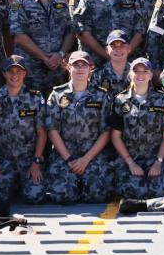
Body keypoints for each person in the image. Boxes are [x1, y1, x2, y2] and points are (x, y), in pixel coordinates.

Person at [45, 51, 113, 204]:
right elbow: (52, 130)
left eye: (84, 65)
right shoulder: (57, 95)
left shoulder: (101, 96)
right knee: (62, 196)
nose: (80, 69)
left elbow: (106, 132)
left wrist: (86, 159)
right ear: (68, 67)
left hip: (92, 154)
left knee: (97, 195)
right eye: (76, 65)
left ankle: (83, 183)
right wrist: (69, 159)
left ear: (91, 69)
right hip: (65, 155)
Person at [0, 55, 47, 204]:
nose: (14, 75)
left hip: (29, 160)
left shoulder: (35, 99)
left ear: (25, 73)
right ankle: (13, 184)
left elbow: (42, 133)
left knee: (35, 196)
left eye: (19, 71)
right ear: (4, 73)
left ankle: (21, 184)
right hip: (4, 160)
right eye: (10, 71)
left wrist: (36, 161)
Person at [109, 57, 164, 199]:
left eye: (145, 71)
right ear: (130, 74)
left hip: (154, 158)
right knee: (135, 192)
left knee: (160, 191)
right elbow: (115, 137)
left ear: (151, 75)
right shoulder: (120, 100)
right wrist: (130, 163)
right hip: (130, 158)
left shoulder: (162, 100)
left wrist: (158, 162)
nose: (140, 75)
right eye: (136, 71)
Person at [9, 0, 74, 95]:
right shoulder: (20, 2)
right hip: (31, 71)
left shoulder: (61, 3)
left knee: (57, 109)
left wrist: (60, 54)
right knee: (31, 110)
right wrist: (45, 58)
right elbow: (18, 35)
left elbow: (70, 31)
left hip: (57, 71)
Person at [74, 0, 143, 64]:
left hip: (125, 64)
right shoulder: (88, 1)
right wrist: (108, 56)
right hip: (95, 63)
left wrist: (122, 55)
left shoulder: (132, 2)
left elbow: (140, 32)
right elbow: (83, 33)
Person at [90, 30, 132, 96]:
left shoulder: (137, 72)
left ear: (129, 48)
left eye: (122, 45)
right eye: (113, 46)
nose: (118, 49)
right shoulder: (97, 75)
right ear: (107, 50)